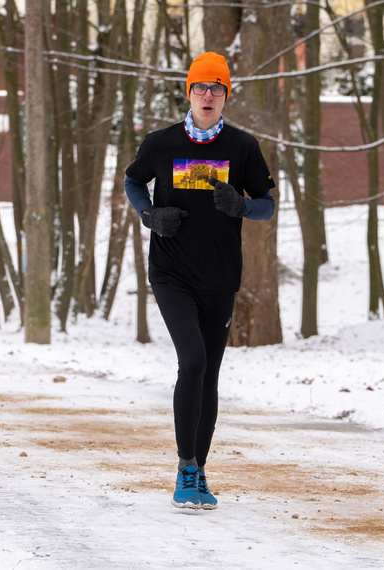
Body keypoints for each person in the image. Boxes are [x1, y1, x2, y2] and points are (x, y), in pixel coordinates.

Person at [124, 52, 276, 510]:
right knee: (191, 362)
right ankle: (185, 466)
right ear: (188, 93)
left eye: (217, 88)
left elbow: (267, 204)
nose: (208, 95)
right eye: (200, 87)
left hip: (220, 277)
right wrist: (150, 215)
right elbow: (133, 182)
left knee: (209, 373)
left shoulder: (242, 147)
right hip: (172, 274)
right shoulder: (161, 143)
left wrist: (242, 207)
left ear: (226, 95)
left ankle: (200, 471)